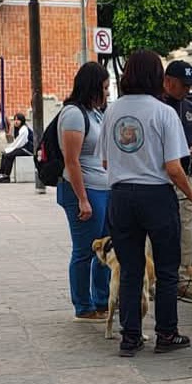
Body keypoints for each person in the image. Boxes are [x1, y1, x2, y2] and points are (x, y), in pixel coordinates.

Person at [100, 50, 192, 356]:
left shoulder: (112, 111)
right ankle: (166, 334)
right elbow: (174, 167)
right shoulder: (164, 113)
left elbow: (106, 161)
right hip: (156, 196)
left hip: (120, 195)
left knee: (131, 269)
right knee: (167, 268)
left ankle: (130, 336)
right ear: (157, 77)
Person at [56, 62, 112, 322]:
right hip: (84, 189)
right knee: (84, 250)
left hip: (102, 187)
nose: (108, 93)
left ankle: (102, 300)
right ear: (93, 87)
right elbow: (72, 161)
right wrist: (82, 199)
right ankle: (84, 305)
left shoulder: (95, 113)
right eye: (104, 87)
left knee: (105, 248)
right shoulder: (73, 115)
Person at [161, 59, 192, 300]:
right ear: (168, 82)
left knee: (188, 228)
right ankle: (152, 278)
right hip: (161, 177)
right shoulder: (158, 106)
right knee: (157, 230)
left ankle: (186, 278)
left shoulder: (190, 109)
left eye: (190, 85)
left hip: (187, 173)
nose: (187, 90)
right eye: (183, 85)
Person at [0, 113, 33, 182]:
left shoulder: (24, 129)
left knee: (9, 155)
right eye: (15, 120)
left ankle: (6, 176)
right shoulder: (18, 129)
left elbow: (19, 143)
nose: (16, 121)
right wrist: (8, 149)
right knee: (5, 154)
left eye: (18, 120)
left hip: (28, 149)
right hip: (23, 147)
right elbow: (16, 142)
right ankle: (2, 174)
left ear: (22, 121)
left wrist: (9, 149)